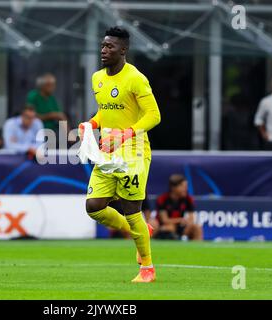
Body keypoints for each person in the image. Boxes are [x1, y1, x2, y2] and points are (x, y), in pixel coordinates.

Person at [78, 27, 161, 283]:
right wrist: (92, 123)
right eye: (103, 46)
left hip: (133, 151)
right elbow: (107, 111)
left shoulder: (136, 78)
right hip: (108, 150)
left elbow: (154, 115)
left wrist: (126, 134)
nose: (104, 50)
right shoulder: (97, 78)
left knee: (131, 208)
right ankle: (140, 231)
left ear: (123, 50)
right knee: (93, 207)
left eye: (110, 47)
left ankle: (147, 268)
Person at [152, 174, 203, 241]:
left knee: (197, 228)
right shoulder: (162, 199)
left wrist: (187, 223)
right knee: (169, 227)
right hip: (165, 227)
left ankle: (197, 249)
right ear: (173, 187)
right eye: (182, 186)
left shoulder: (188, 199)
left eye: (186, 186)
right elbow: (164, 220)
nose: (185, 189)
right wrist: (180, 220)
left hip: (181, 227)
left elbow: (191, 219)